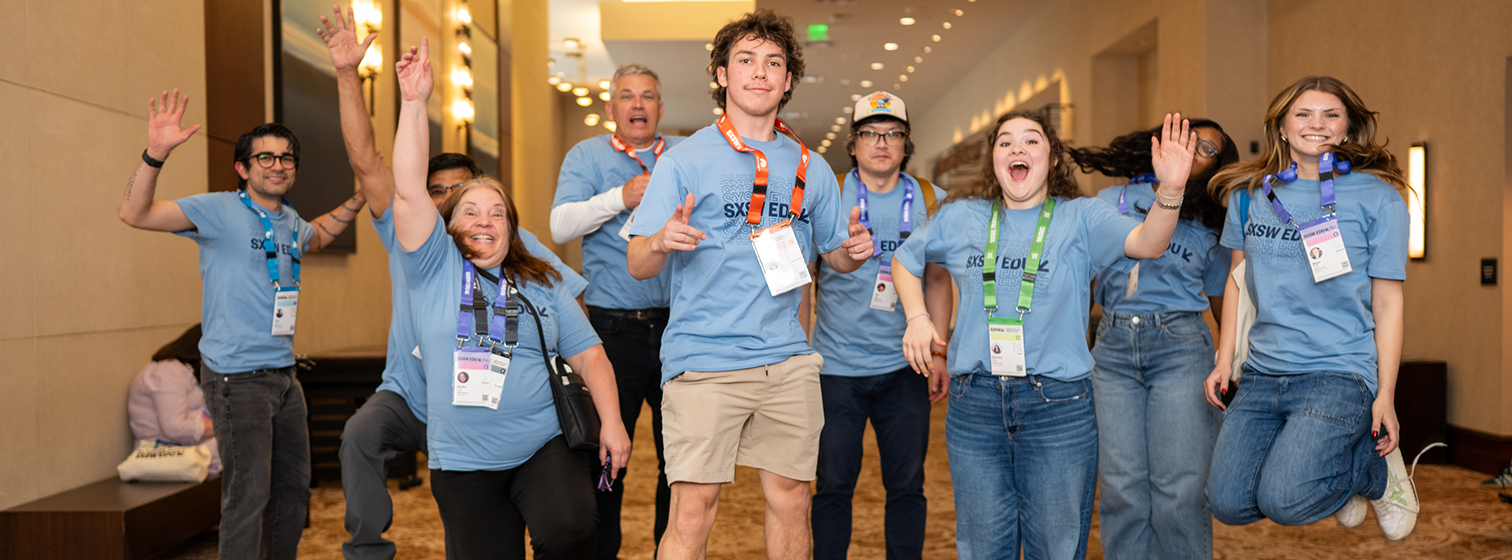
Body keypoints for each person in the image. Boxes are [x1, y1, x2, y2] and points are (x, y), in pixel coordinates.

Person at [315, 9, 588, 559]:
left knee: (480, 517)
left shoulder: (514, 241)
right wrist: (348, 74)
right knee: (361, 434)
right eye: (436, 190)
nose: (448, 201)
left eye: (462, 192)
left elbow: (568, 303)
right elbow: (366, 161)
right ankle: (368, 550)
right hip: (411, 393)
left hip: (488, 402)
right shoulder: (411, 235)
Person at [625, 9, 873, 559]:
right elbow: (637, 262)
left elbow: (834, 256)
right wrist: (661, 240)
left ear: (787, 80)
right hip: (703, 360)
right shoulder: (684, 161)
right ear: (722, 75)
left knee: (793, 499)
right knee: (693, 509)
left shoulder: (811, 166)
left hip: (786, 360)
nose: (759, 72)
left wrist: (853, 252)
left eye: (773, 62)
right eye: (745, 60)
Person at [893, 111, 1197, 559]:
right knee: (982, 548)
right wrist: (918, 317)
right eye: (1005, 142)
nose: (1017, 148)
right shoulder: (963, 216)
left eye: (1031, 140)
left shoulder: (1082, 217)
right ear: (994, 160)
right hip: (975, 405)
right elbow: (905, 260)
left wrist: (1170, 189)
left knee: (1056, 548)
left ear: (1052, 159)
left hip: (1058, 407)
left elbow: (1148, 243)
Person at [389, 38, 632, 560]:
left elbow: (590, 355)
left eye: (497, 212)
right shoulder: (433, 268)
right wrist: (413, 103)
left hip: (544, 444)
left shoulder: (541, 279)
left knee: (570, 532)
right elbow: (407, 190)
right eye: (470, 211)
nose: (484, 220)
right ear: (448, 226)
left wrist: (612, 422)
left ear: (511, 228)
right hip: (464, 461)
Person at [117, 89, 366, 559]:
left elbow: (316, 237)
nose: (278, 165)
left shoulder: (289, 221)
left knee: (292, 491)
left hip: (284, 375)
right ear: (243, 168)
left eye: (286, 158)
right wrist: (155, 154)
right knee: (247, 497)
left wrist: (361, 197)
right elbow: (134, 213)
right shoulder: (218, 210)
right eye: (265, 157)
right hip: (236, 377)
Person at [1203, 76, 1417, 540]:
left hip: (1339, 372)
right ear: (1282, 127)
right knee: (1228, 502)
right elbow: (1237, 281)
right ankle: (1341, 469)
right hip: (1263, 372)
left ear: (1347, 128)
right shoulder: (1249, 194)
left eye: (1330, 115)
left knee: (1285, 499)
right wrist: (1225, 359)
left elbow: (1388, 301)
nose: (1316, 124)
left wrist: (1385, 394)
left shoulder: (1379, 198)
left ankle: (1374, 473)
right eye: (1303, 114)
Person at [1068, 119, 1239, 560]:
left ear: (1218, 166)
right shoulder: (1110, 200)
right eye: (1189, 139)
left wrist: (1232, 360)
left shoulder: (1211, 221)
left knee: (1179, 490)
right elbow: (1081, 283)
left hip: (1181, 346)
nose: (1194, 150)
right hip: (1112, 346)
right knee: (1120, 488)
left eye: (1207, 149)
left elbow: (1223, 301)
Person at [803, 91, 951, 560]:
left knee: (907, 485)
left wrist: (939, 352)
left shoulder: (932, 199)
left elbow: (938, 279)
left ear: (907, 143)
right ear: (853, 144)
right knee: (832, 485)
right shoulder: (828, 195)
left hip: (906, 368)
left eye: (893, 134)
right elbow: (805, 278)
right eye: (870, 133)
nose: (881, 143)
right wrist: (800, 355)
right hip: (836, 369)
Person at [549, 61, 684, 559]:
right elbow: (560, 225)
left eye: (647, 96)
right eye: (627, 96)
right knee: (608, 456)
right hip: (610, 332)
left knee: (681, 461)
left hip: (678, 330)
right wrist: (618, 197)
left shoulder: (682, 154)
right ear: (611, 108)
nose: (637, 105)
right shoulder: (586, 156)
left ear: (660, 108)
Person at [128, 324, 222, 477]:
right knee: (241, 440)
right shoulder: (168, 371)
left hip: (186, 448)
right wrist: (223, 426)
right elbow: (175, 428)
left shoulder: (186, 371)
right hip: (165, 454)